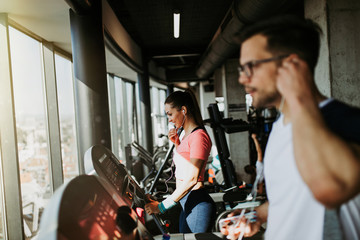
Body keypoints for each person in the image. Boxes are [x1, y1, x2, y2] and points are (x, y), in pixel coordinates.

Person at [223, 14, 360, 240]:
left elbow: (330, 190)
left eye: (250, 67)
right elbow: (288, 200)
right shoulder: (281, 125)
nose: (242, 79)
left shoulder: (345, 121)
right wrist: (255, 215)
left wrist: (298, 96)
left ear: (291, 65)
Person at [144, 89, 215, 233]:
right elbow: (185, 164)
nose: (169, 119)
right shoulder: (185, 136)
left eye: (170, 114)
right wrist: (177, 143)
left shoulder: (199, 136)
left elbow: (192, 179)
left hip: (196, 202)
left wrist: (161, 207)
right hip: (186, 201)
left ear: (183, 110)